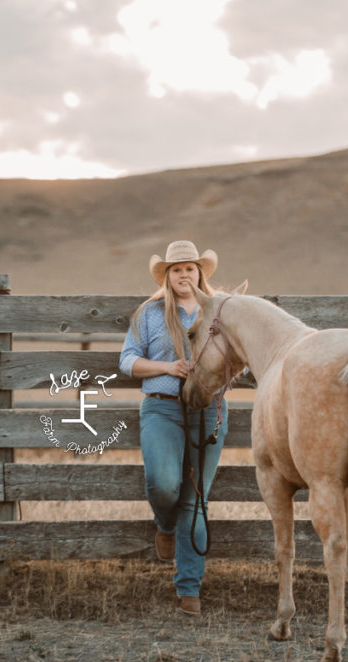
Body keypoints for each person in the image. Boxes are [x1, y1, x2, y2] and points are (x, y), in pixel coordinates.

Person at [118, 240, 229, 616]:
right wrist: (168, 368)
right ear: (167, 275)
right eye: (177, 269)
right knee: (164, 485)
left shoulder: (219, 311)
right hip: (162, 409)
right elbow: (128, 361)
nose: (184, 275)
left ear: (200, 273)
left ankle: (189, 589)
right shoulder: (149, 313)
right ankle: (164, 525)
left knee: (196, 500)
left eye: (190, 268)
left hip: (208, 411)